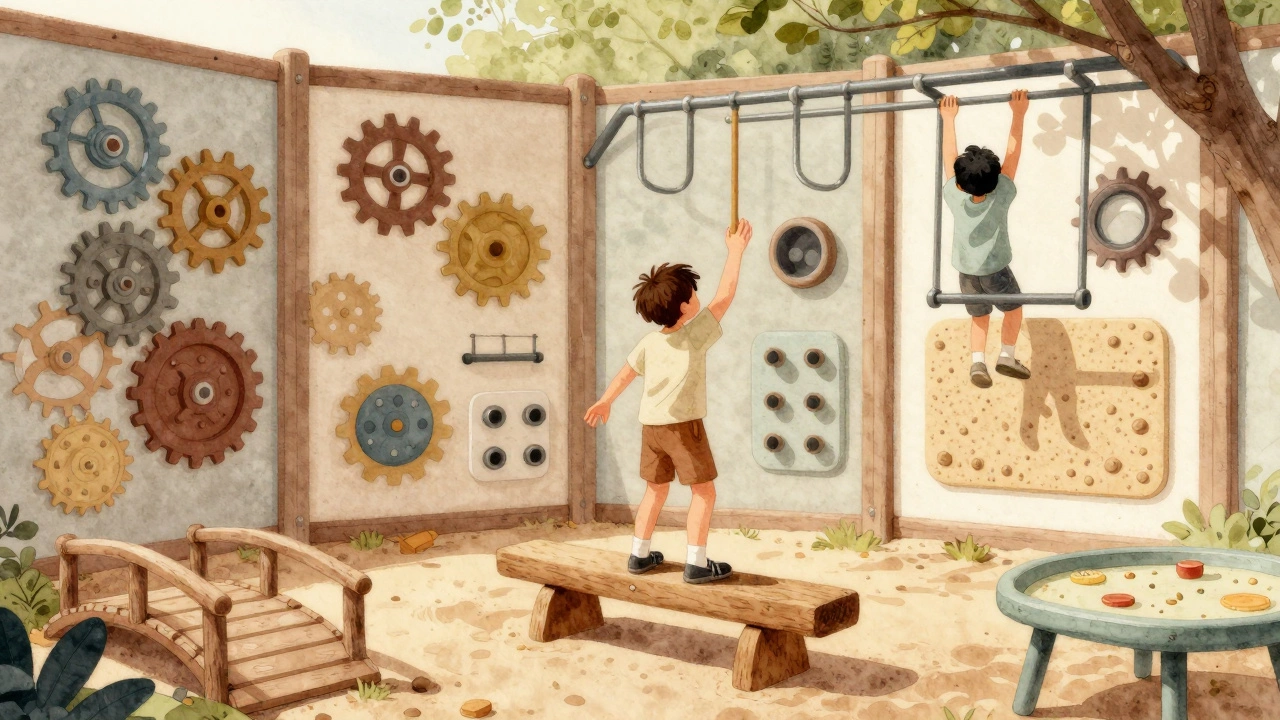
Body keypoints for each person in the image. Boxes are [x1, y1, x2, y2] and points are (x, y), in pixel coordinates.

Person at [583, 220, 753, 584]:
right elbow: (725, 295)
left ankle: (639, 554)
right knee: (703, 493)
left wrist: (605, 401)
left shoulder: (649, 342)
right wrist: (735, 251)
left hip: (652, 429)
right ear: (683, 306)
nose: (698, 298)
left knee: (654, 491)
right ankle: (696, 563)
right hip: (683, 428)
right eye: (692, 295)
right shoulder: (693, 337)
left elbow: (626, 374)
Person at [940, 90, 1032, 388]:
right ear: (994, 179)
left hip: (966, 272)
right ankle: (1006, 355)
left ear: (960, 182)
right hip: (996, 271)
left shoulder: (954, 194)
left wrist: (948, 120)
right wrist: (1018, 114)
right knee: (1013, 309)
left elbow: (949, 158)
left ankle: (977, 361)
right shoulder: (1001, 193)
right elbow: (1013, 155)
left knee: (979, 318)